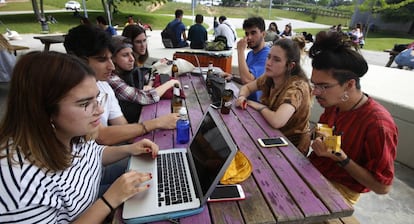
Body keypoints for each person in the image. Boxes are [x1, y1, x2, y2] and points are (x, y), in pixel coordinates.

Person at [0, 51, 158, 223]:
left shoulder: (71, 132)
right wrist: (109, 201)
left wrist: (129, 149)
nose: (100, 110)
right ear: (44, 111)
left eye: (95, 99)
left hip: (93, 196)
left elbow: (93, 154)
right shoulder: (20, 182)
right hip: (93, 208)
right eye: (84, 104)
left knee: (154, 174)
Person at [308, 31, 398, 205]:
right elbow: (322, 131)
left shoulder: (378, 124)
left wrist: (342, 158)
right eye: (314, 84)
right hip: (313, 171)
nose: (315, 92)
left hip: (339, 191)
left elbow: (382, 187)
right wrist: (314, 135)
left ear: (349, 84)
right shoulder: (334, 104)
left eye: (323, 86)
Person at [64, 24, 179, 146]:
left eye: (145, 41)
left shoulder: (104, 85)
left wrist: (139, 145)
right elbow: (102, 136)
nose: (111, 66)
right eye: (102, 60)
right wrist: (157, 123)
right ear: (79, 60)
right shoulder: (69, 94)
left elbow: (122, 126)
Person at [235, 38, 312, 154]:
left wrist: (258, 106)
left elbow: (277, 121)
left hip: (289, 149)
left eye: (276, 60)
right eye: (269, 57)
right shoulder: (270, 76)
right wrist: (242, 97)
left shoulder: (297, 88)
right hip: (270, 135)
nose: (269, 62)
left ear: (290, 66)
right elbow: (247, 87)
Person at [109, 36, 180, 123]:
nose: (132, 59)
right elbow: (144, 97)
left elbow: (148, 74)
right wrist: (170, 83)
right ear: (113, 58)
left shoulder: (126, 70)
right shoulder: (111, 79)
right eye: (125, 55)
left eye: (131, 54)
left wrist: (149, 85)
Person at [222, 16, 270, 102]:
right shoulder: (250, 54)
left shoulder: (267, 55)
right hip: (246, 101)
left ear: (263, 34)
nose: (249, 37)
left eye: (253, 33)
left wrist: (240, 51)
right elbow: (250, 79)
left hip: (258, 106)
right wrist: (232, 77)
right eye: (247, 34)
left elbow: (247, 80)